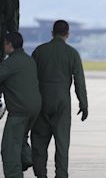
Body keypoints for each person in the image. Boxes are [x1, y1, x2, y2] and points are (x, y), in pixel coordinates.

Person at [31, 20, 89, 178]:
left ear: (52, 33)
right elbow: (79, 82)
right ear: (67, 34)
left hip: (41, 100)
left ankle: (40, 174)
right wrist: (84, 105)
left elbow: (29, 78)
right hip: (62, 102)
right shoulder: (72, 53)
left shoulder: (39, 51)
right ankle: (61, 175)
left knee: (39, 142)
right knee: (62, 144)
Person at [0, 32, 41, 178]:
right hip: (34, 109)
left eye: (4, 43)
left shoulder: (10, 63)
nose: (3, 46)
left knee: (9, 147)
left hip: (19, 111)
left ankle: (15, 173)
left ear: (10, 45)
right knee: (21, 137)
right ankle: (26, 158)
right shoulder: (29, 60)